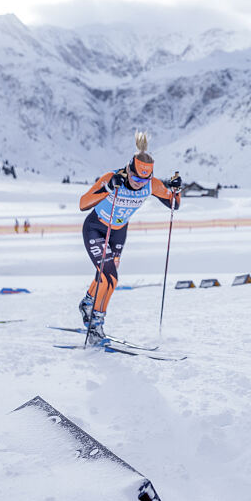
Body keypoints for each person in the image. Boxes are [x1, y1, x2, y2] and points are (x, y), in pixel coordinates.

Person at [77, 131, 181, 345]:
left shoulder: (151, 184)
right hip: (96, 228)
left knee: (106, 276)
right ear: (128, 169)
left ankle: (88, 302)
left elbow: (174, 203)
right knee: (110, 277)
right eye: (135, 178)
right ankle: (96, 325)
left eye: (145, 179)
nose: (139, 183)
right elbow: (83, 203)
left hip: (118, 233)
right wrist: (107, 188)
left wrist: (176, 189)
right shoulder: (112, 178)